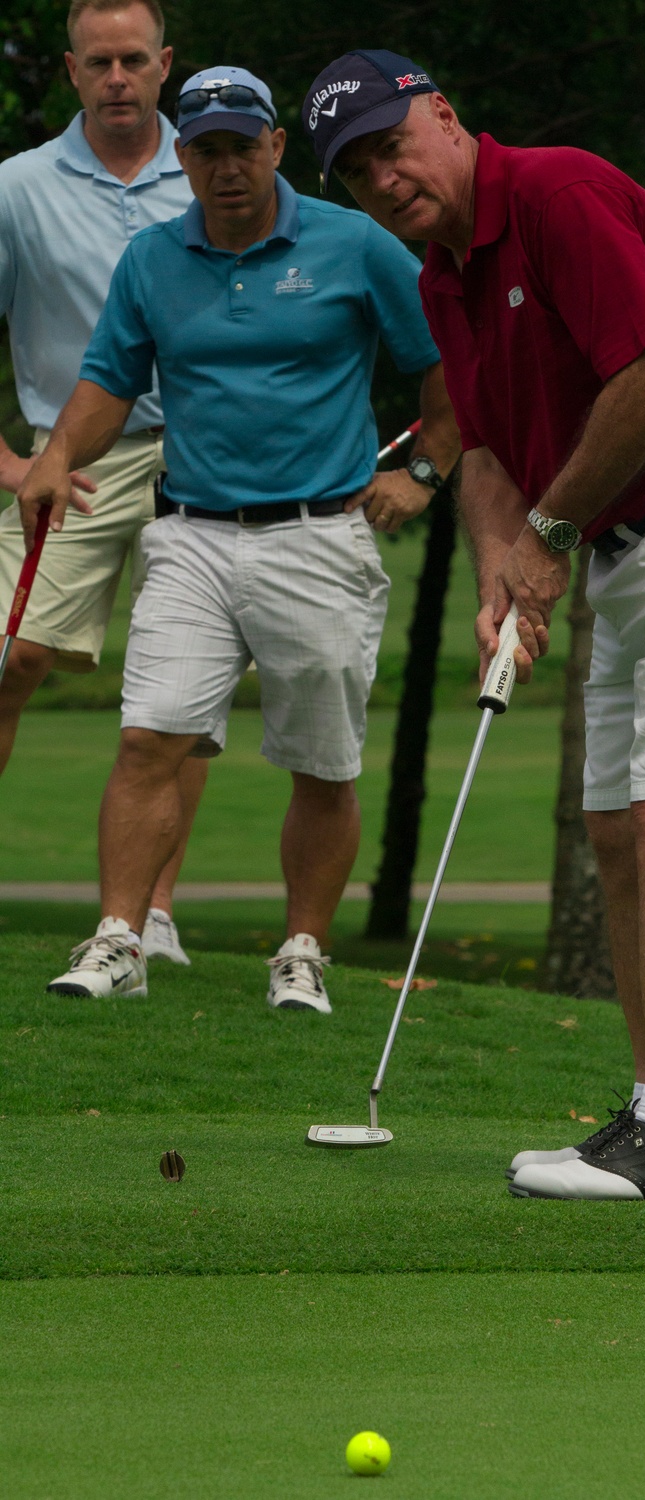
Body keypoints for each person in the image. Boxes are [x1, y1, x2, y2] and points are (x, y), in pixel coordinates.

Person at [304, 50, 645, 1196]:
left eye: (394, 144)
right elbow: (481, 445)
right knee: (610, 828)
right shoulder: (443, 277)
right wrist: (501, 567)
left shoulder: (559, 193)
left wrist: (543, 535)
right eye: (356, 173)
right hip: (626, 541)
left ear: (446, 117)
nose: (385, 179)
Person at [19, 65, 458, 1012]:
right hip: (190, 536)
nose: (225, 168)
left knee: (323, 763)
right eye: (206, 150)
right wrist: (56, 456)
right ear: (184, 158)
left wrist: (422, 474)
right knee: (149, 739)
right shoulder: (151, 259)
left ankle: (301, 951)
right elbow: (107, 380)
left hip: (320, 537)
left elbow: (447, 367)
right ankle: (120, 941)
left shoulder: (354, 245)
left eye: (241, 147)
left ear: (274, 148)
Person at [0, 0, 208, 965]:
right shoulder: (18, 186)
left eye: (134, 59)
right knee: (9, 662)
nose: (118, 77)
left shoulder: (218, 167)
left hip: (204, 454)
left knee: (181, 698)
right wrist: (10, 463)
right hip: (67, 461)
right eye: (99, 62)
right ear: (72, 72)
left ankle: (152, 917)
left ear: (165, 64)